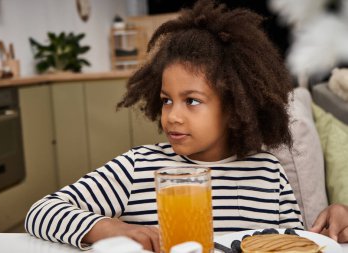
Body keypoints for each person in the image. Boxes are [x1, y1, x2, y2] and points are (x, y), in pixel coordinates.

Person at [25, 0, 348, 252]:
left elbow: (292, 242)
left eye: (191, 101)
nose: (173, 116)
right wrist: (110, 228)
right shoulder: (139, 167)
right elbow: (41, 212)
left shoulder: (267, 173)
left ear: (236, 108)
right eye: (167, 100)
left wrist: (333, 221)